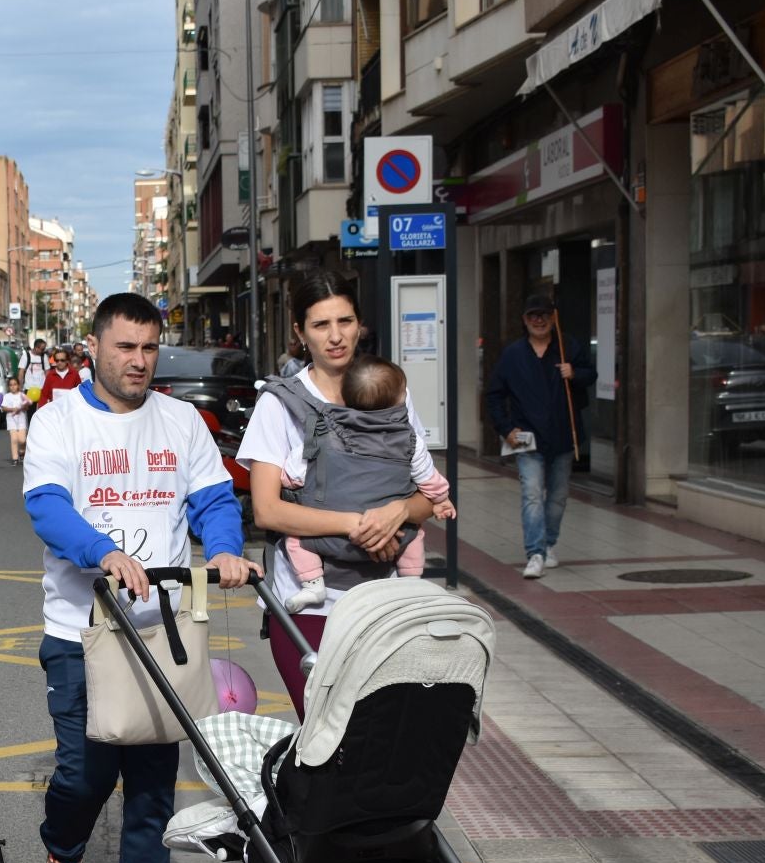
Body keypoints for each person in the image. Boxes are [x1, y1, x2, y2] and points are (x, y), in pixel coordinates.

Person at [23, 292, 255, 863]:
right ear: (93, 347)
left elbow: (212, 497)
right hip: (82, 631)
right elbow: (46, 504)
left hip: (162, 632)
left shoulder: (180, 421)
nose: (139, 361)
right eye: (125, 347)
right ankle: (63, 854)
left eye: (149, 347)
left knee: (152, 786)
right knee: (82, 774)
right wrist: (103, 551)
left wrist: (223, 546)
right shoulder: (57, 421)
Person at [240, 272, 439, 716]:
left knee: (379, 740)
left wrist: (398, 511)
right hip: (307, 607)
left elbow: (427, 493)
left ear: (359, 324)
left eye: (345, 321)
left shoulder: (390, 390)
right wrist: (360, 524)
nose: (335, 337)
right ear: (300, 333)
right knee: (322, 736)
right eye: (320, 325)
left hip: (384, 603)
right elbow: (267, 510)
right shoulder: (280, 404)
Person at [277, 355, 455, 614]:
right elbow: (428, 478)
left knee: (294, 539)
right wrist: (441, 498)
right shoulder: (409, 440)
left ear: (345, 399)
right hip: (393, 539)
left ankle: (312, 583)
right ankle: (411, 582)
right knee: (416, 535)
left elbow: (294, 473)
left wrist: (288, 481)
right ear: (399, 401)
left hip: (328, 540)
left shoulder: (323, 432)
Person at [486, 291, 594, 580]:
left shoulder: (568, 347)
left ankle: (548, 543)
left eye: (544, 315)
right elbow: (494, 395)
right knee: (532, 495)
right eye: (533, 316)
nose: (539, 320)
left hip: (562, 435)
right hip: (527, 438)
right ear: (525, 320)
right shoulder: (513, 355)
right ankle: (535, 553)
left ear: (553, 318)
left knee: (558, 496)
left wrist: (575, 373)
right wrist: (506, 429)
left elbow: (591, 374)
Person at [0, 375, 30, 466]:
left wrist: (22, 407)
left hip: (21, 420)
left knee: (22, 440)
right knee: (14, 439)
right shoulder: (6, 396)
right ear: (8, 387)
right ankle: (15, 458)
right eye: (11, 385)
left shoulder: (22, 395)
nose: (13, 386)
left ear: (18, 385)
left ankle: (22, 451)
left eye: (15, 384)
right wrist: (12, 409)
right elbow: (4, 408)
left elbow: (27, 406)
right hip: (11, 420)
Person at [23, 337, 51, 403]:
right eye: (42, 349)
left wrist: (48, 386)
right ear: (36, 347)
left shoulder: (44, 357)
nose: (43, 350)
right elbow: (21, 372)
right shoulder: (26, 356)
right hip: (29, 388)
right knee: (30, 411)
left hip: (41, 388)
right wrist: (20, 387)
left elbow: (47, 372)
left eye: (44, 349)